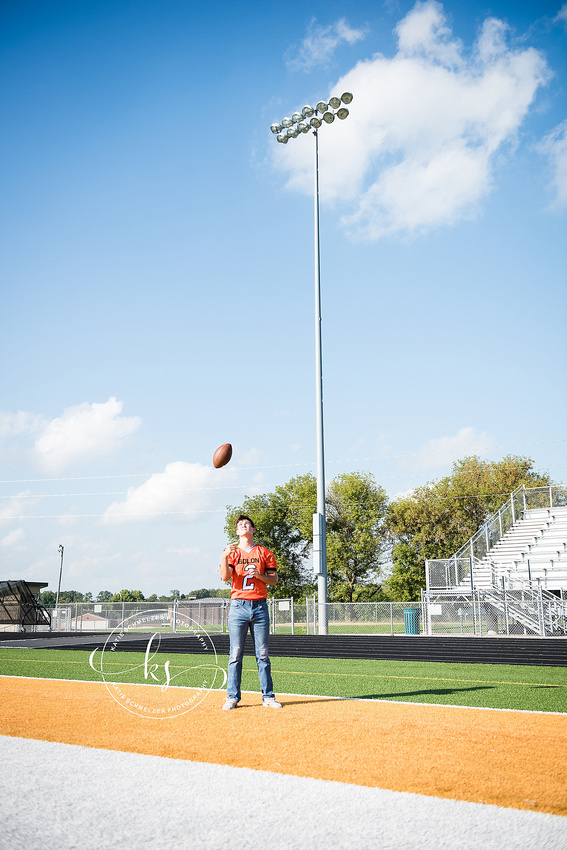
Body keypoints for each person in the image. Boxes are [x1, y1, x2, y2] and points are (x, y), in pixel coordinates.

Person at [219, 514, 282, 710]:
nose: (244, 526)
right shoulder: (232, 552)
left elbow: (274, 580)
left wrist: (260, 576)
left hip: (260, 605)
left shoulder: (265, 553)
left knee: (262, 654)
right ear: (237, 531)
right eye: (240, 525)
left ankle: (268, 696)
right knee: (235, 653)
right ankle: (232, 696)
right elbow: (224, 578)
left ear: (253, 530)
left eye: (247, 524)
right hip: (238, 605)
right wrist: (223, 556)